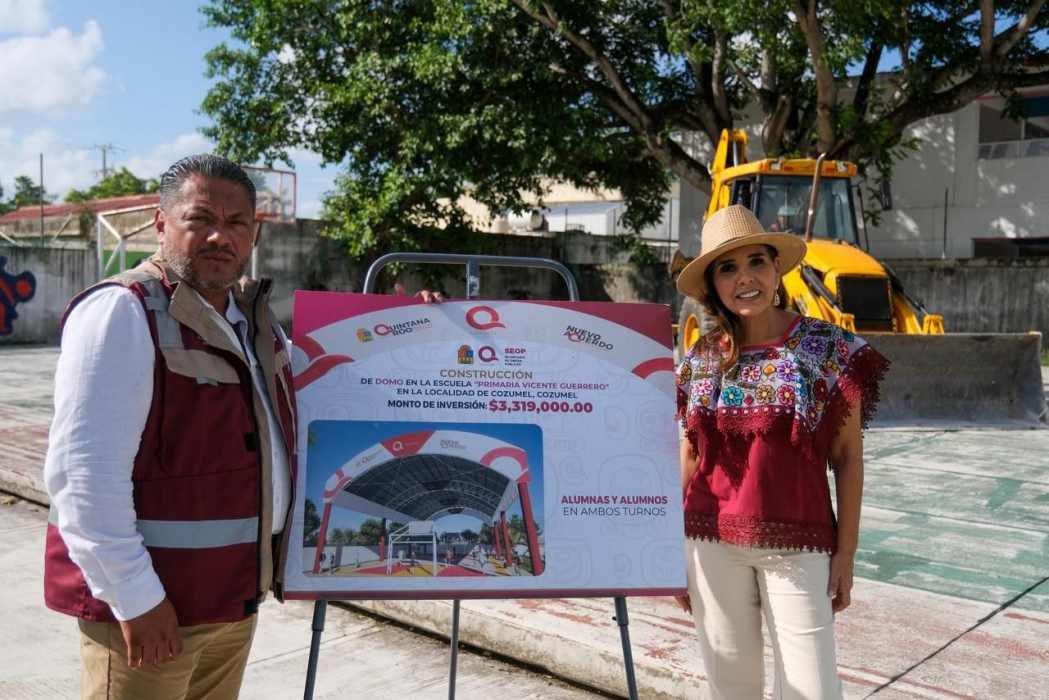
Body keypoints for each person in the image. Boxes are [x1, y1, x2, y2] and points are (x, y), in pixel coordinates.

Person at [673, 205, 888, 699]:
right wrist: (664, 551)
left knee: (814, 690)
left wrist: (847, 552)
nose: (744, 278)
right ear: (713, 285)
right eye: (727, 268)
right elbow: (690, 455)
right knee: (732, 690)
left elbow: (848, 458)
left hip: (799, 546)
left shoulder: (828, 350)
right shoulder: (702, 358)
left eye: (756, 261)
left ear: (776, 268)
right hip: (709, 542)